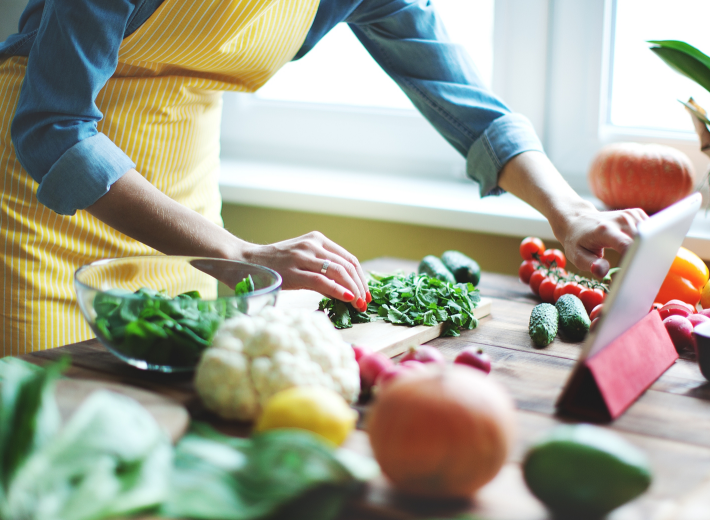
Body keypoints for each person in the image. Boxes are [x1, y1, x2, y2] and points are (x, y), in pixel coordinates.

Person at [0, 0, 646, 355]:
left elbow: (464, 101)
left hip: (184, 202)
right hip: (40, 204)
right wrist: (237, 251)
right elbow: (52, 126)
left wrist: (570, 211)